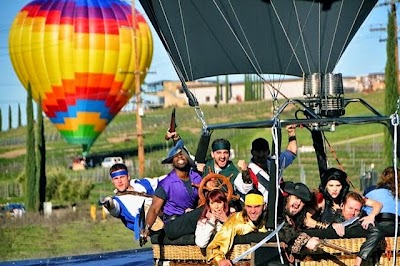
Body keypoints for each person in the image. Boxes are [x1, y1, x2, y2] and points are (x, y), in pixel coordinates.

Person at [206, 189, 320, 266]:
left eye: (257, 207)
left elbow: (285, 231)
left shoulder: (269, 218)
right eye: (249, 207)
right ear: (245, 207)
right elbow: (214, 247)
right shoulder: (234, 222)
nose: (253, 211)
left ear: (264, 206)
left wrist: (306, 241)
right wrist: (220, 260)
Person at [304, 192, 385, 266]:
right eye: (350, 208)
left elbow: (377, 232)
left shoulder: (361, 220)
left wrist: (360, 257)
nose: (353, 213)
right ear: (342, 205)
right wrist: (331, 226)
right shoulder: (332, 219)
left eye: (356, 210)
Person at [143, 139, 203, 240]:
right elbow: (154, 209)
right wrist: (146, 229)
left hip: (191, 218)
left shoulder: (197, 178)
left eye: (182, 154)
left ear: (188, 158)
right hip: (173, 225)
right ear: (172, 162)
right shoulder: (166, 183)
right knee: (204, 211)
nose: (179, 156)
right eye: (176, 155)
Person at [234, 125, 297, 202]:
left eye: (263, 151)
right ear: (252, 152)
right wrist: (245, 172)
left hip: (281, 206)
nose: (261, 154)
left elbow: (292, 152)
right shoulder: (247, 173)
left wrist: (291, 134)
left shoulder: (275, 163)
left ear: (268, 152)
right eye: (257, 151)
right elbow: (248, 192)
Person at [305, 167, 382, 229]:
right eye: (331, 185)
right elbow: (306, 220)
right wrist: (328, 226)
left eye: (338, 186)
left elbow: (377, 204)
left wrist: (371, 216)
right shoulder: (321, 201)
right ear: (325, 186)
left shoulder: (350, 197)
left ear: (343, 186)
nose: (334, 189)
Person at [99, 163, 156, 240]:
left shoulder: (142, 183)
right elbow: (113, 208)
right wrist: (109, 203)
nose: (119, 181)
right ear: (112, 181)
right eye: (116, 179)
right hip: (152, 227)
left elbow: (164, 182)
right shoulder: (118, 201)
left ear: (128, 176)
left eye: (122, 177)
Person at [364, 166, 400, 236]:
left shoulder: (370, 190)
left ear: (382, 177)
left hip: (374, 226)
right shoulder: (397, 193)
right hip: (395, 228)